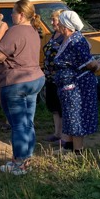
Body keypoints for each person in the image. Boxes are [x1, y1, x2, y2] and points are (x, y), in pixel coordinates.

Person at [0, 0, 45, 175]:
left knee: (18, 124)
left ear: (21, 14)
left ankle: (19, 163)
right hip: (34, 79)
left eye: (13, 12)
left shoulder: (15, 31)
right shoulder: (34, 30)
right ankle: (27, 158)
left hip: (16, 81)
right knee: (27, 121)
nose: (12, 16)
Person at [54, 10, 100, 155]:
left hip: (78, 86)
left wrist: (97, 65)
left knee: (76, 117)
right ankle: (67, 148)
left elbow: (89, 63)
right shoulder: (67, 39)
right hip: (68, 86)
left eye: (60, 22)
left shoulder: (77, 41)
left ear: (66, 25)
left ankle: (78, 153)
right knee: (69, 115)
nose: (57, 24)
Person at [42, 9, 65, 143]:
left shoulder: (66, 36)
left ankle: (64, 135)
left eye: (54, 20)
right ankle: (57, 133)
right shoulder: (54, 34)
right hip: (50, 76)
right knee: (54, 106)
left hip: (60, 77)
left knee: (61, 107)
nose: (51, 23)